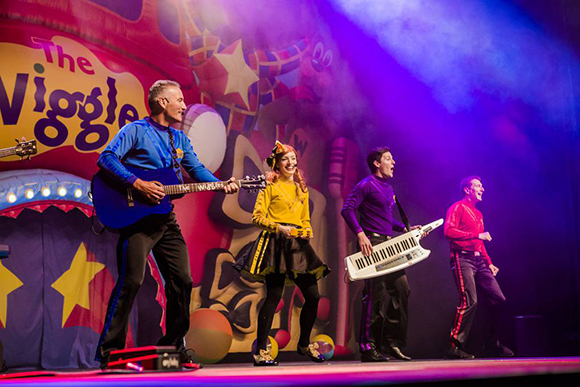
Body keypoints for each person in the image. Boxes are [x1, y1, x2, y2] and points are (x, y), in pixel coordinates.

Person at [95, 80, 239, 368]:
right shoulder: (135, 130)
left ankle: (173, 346)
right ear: (162, 102)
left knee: (182, 281)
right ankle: (109, 352)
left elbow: (196, 170)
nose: (184, 106)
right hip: (137, 219)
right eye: (179, 100)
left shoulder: (180, 139)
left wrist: (221, 185)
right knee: (131, 281)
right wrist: (137, 183)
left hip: (165, 219)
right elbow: (106, 157)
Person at [235, 141, 330, 366]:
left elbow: (305, 218)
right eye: (285, 159)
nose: (291, 163)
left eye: (293, 159)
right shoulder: (270, 186)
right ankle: (260, 351)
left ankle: (304, 343)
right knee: (274, 296)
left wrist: (306, 230)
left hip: (297, 245)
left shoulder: (301, 188)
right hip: (276, 243)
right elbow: (257, 217)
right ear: (277, 163)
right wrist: (280, 228)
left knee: (313, 296)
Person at [341, 147, 416, 362]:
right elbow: (347, 209)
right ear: (376, 163)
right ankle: (368, 346)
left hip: (388, 244)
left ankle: (391, 343)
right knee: (376, 295)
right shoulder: (366, 185)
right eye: (388, 159)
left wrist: (404, 229)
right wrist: (360, 234)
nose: (394, 162)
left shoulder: (388, 187)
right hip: (371, 245)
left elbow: (385, 219)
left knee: (402, 289)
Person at [444, 176, 513, 359]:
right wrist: (477, 235)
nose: (482, 189)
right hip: (462, 259)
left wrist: (489, 262)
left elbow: (479, 242)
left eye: (482, 185)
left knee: (499, 299)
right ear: (467, 190)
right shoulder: (457, 207)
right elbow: (448, 232)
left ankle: (492, 343)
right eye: (478, 186)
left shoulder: (479, 214)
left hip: (479, 261)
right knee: (469, 301)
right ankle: (454, 346)